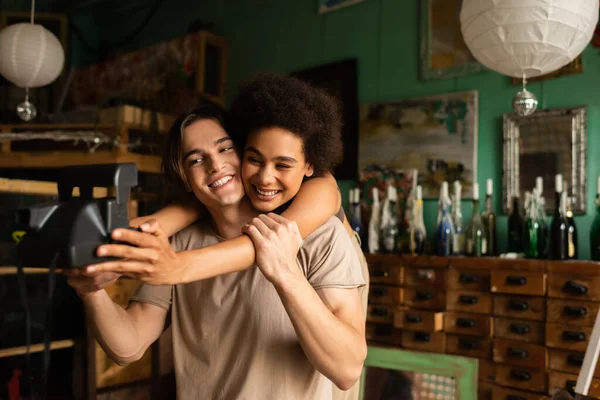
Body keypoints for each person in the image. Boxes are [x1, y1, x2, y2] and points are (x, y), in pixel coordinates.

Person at [66, 73, 368, 399]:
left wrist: (284, 271)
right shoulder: (179, 242)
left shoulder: (319, 233)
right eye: (195, 159)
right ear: (185, 179)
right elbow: (128, 347)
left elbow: (347, 370)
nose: (215, 165)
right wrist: (92, 292)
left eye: (225, 148)